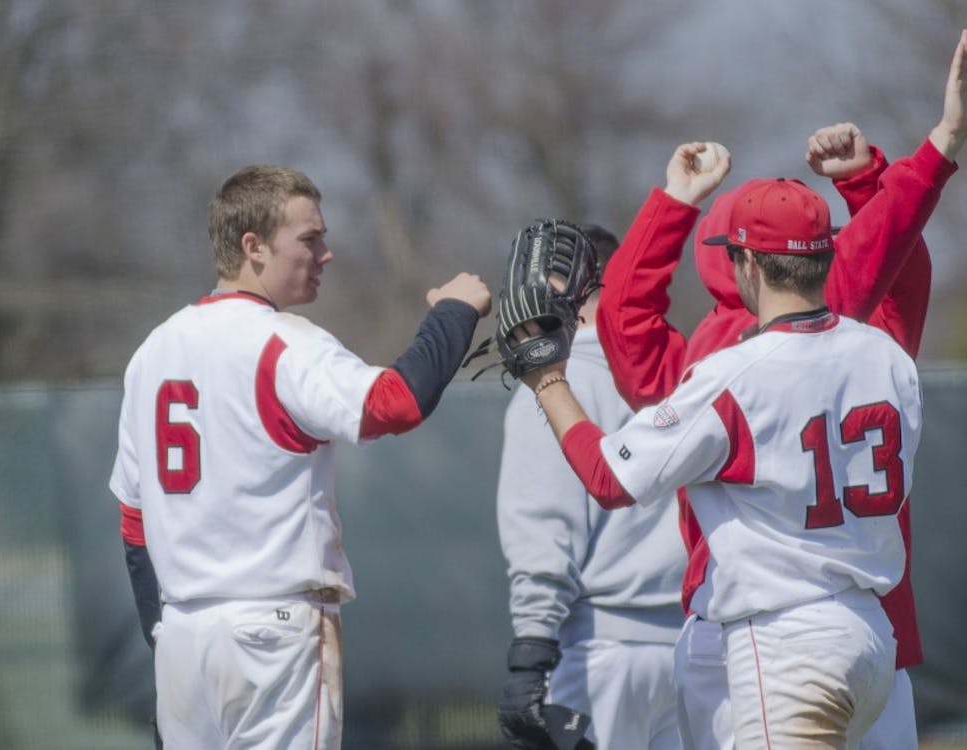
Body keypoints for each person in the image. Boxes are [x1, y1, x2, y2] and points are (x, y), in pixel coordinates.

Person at [595, 29, 967, 750]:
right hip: (873, 623)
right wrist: (875, 179)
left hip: (755, 629)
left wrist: (674, 204)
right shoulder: (856, 333)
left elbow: (624, 325)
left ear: (738, 262)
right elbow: (893, 263)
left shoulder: (713, 364)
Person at [511, 174, 923, 748]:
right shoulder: (883, 355)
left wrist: (548, 380)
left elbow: (608, 477)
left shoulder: (732, 375)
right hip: (873, 633)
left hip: (786, 639)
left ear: (747, 263)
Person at [108, 165, 491, 749]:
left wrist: (162, 632)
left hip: (184, 636)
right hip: (272, 632)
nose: (326, 253)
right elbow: (396, 403)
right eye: (309, 238)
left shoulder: (152, 351)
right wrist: (455, 313)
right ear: (252, 247)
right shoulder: (281, 341)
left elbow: (134, 521)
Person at [495, 225, 686, 750]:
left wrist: (531, 650)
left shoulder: (556, 382)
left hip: (600, 652)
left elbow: (543, 528)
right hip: (694, 650)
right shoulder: (682, 370)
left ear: (564, 284)